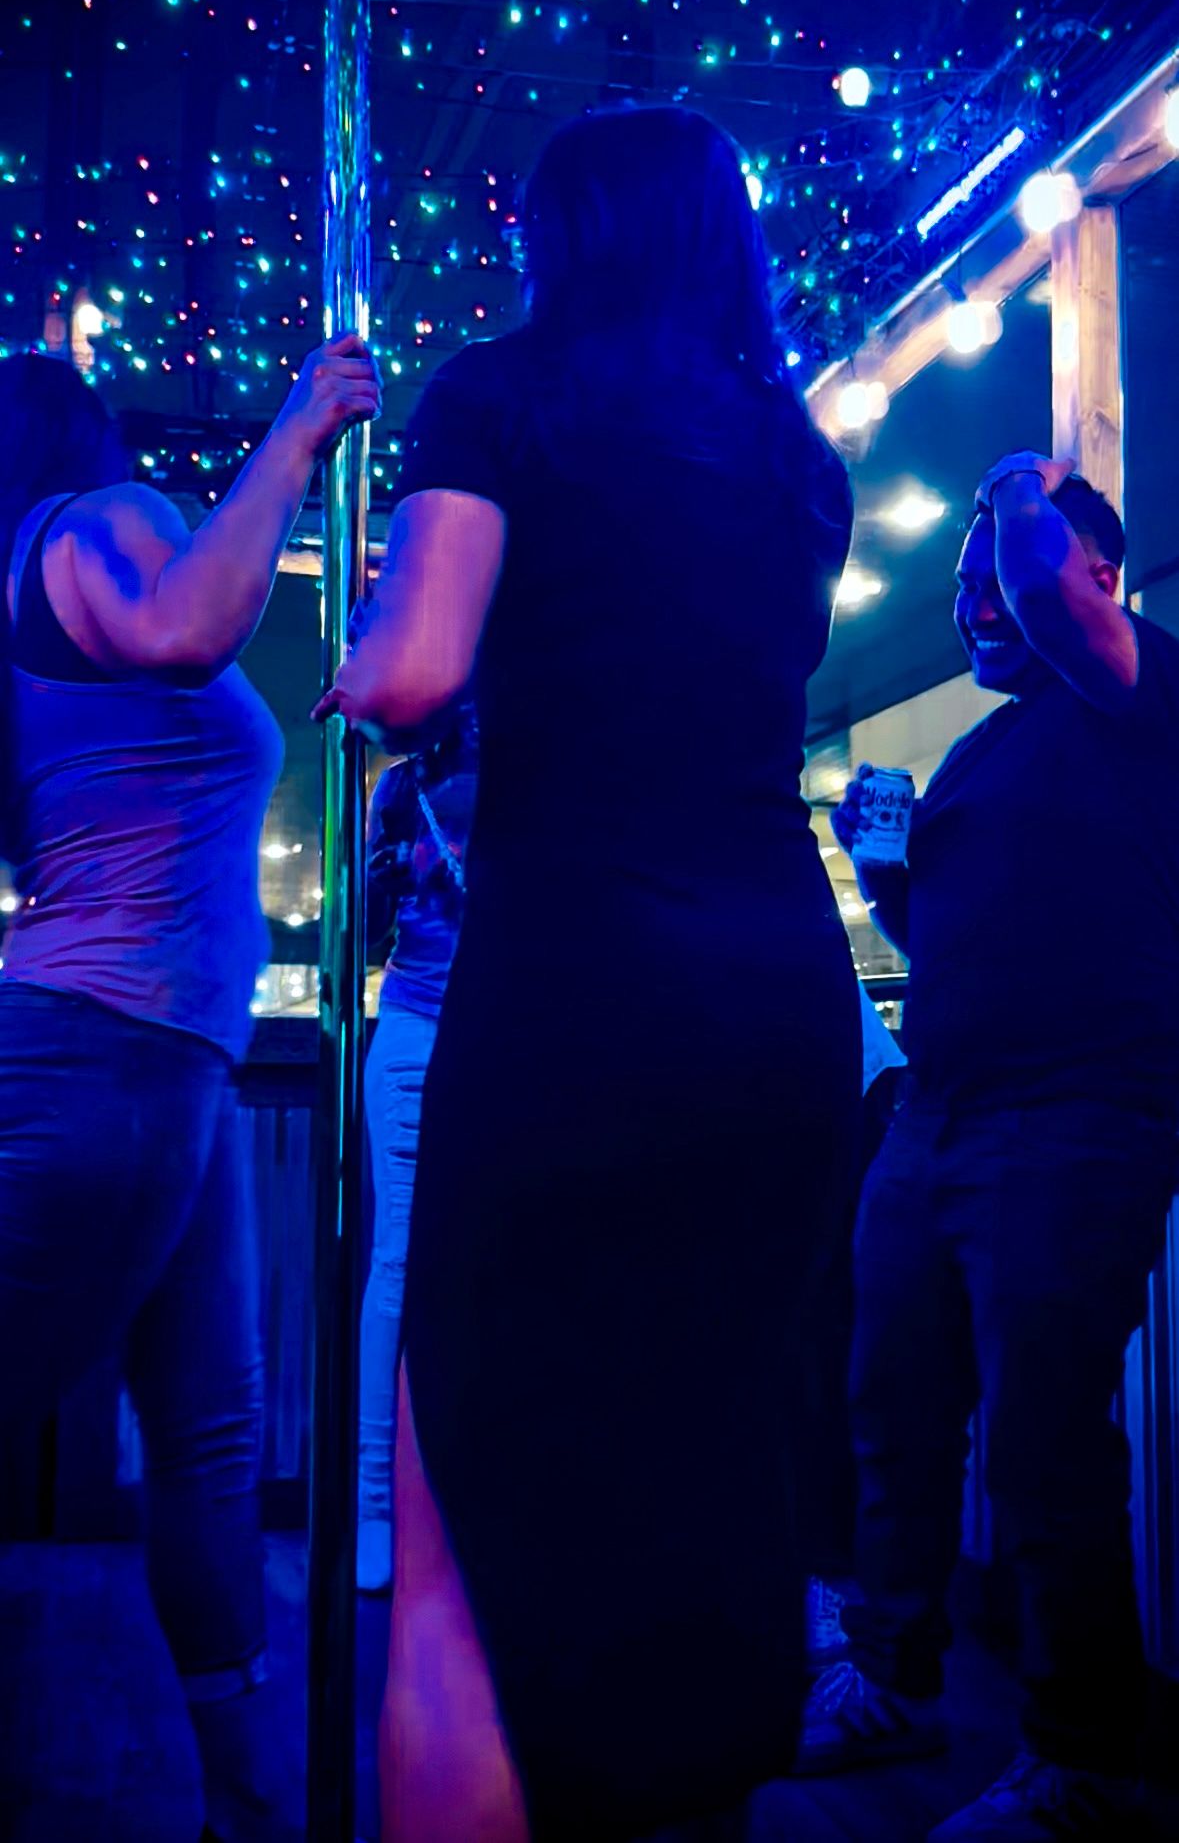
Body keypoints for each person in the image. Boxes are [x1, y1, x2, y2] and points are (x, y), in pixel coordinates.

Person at [316, 104, 860, 1841]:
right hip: (773, 995)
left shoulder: (497, 397)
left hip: (577, 984)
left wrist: (348, 655)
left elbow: (412, 673)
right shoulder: (792, 453)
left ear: (566, 234)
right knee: (710, 1445)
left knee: (468, 1468)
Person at [0, 337, 379, 1840]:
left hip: (166, 1063)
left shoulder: (29, 581)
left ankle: (249, 1806)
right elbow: (183, 630)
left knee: (212, 1438)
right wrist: (291, 431)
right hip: (111, 1051)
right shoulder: (94, 524)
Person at [801, 458, 1179, 1842]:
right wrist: (887, 875)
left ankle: (1084, 1760)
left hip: (1078, 1118)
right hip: (936, 1111)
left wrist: (1012, 486)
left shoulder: (1137, 687)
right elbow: (941, 950)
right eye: (960, 586)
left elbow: (1036, 571)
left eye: (994, 576)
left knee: (1038, 1447)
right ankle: (890, 1682)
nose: (973, 600)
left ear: (1089, 578)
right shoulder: (976, 750)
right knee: (890, 1416)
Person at [357, 705, 477, 1594]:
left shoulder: (527, 761)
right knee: (401, 1260)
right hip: (418, 1018)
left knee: (488, 1266)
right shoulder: (398, 790)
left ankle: (441, 1503)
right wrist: (377, 877)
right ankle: (375, 1506)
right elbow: (363, 938)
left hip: (502, 1028)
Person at [803, 980, 907, 1667]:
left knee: (818, 1337)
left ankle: (829, 1585)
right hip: (810, 1069)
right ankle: (819, 1580)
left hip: (826, 1077)